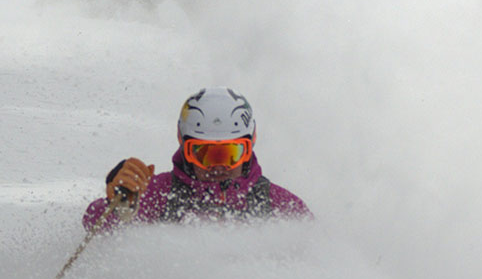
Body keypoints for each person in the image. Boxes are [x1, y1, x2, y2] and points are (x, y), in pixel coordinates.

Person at [83, 87, 311, 230]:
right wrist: (121, 205)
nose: (218, 166)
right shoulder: (160, 195)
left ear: (251, 143)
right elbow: (94, 224)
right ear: (182, 142)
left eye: (232, 153)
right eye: (204, 153)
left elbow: (315, 253)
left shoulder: (277, 204)